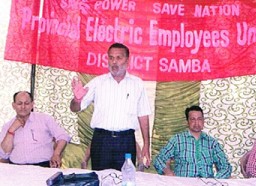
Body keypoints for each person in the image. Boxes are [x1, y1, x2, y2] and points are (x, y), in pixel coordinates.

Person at [70, 43, 151, 171]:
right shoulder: (98, 82)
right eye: (111, 58)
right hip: (102, 141)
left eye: (119, 58)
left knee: (125, 180)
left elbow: (143, 115)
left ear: (128, 61)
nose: (114, 62)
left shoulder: (137, 84)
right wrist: (76, 99)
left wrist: (146, 145)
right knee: (101, 179)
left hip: (126, 141)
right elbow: (75, 108)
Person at [154, 105, 232, 178]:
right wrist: (167, 172)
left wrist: (215, 181)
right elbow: (159, 159)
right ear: (187, 121)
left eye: (199, 119)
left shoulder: (212, 143)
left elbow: (225, 167)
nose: (196, 122)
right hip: (183, 182)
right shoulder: (177, 140)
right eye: (193, 119)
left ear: (203, 121)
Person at [0, 91, 70, 168]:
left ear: (32, 104)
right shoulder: (8, 126)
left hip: (43, 166)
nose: (23, 107)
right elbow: (3, 154)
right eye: (19, 103)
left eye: (26, 103)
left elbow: (63, 136)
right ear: (14, 105)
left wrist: (56, 154)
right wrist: (11, 130)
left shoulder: (45, 119)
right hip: (16, 168)